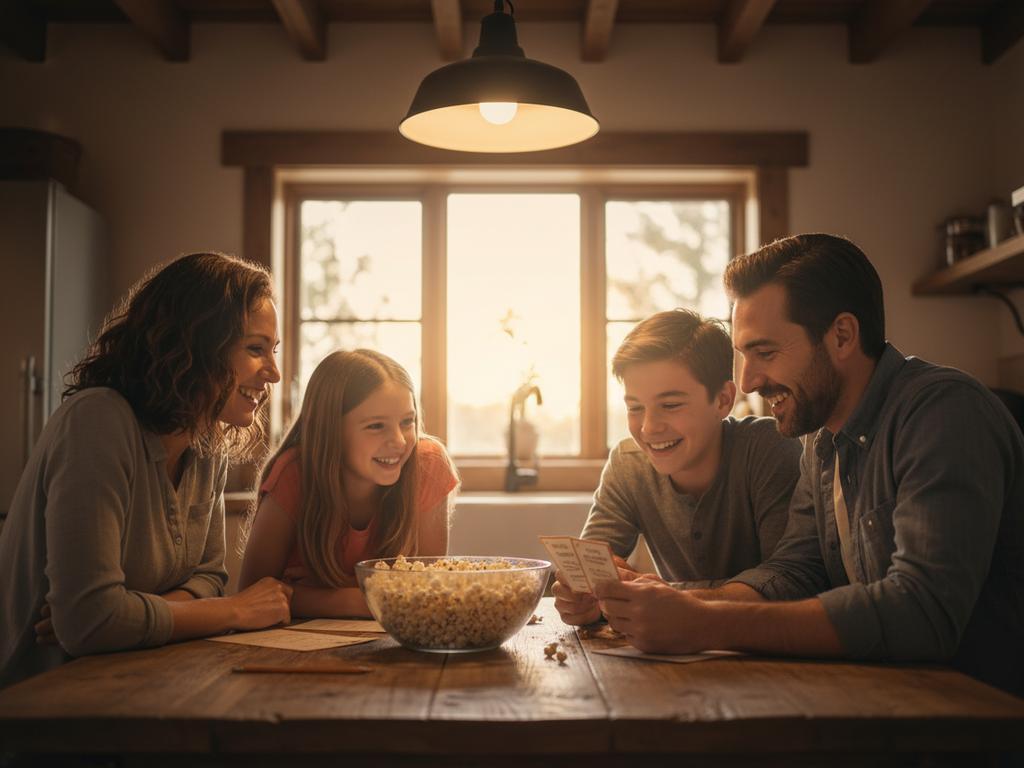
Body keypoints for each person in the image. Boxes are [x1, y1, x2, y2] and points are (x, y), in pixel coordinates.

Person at [593, 234, 1024, 696]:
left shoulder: (943, 411)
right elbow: (796, 572)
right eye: (742, 355)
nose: (748, 381)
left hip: (981, 719)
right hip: (890, 699)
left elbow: (922, 612)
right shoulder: (820, 439)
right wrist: (670, 604)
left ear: (841, 336)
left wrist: (706, 623)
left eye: (765, 353)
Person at [0, 252, 293, 689]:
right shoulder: (97, 420)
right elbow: (90, 623)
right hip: (39, 704)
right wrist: (236, 610)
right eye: (255, 349)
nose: (273, 372)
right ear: (196, 343)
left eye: (272, 351)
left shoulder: (205, 439)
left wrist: (129, 613)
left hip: (133, 679)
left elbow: (210, 578)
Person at [553, 309, 802, 626]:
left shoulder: (769, 448)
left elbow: (789, 582)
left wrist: (673, 597)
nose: (648, 428)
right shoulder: (628, 463)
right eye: (635, 408)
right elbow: (591, 568)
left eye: (670, 405)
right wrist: (585, 600)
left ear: (723, 400)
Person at [239, 349, 459, 617]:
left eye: (407, 422)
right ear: (330, 430)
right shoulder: (294, 473)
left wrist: (313, 595)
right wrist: (380, 595)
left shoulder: (428, 465)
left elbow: (425, 594)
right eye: (376, 426)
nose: (400, 441)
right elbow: (250, 597)